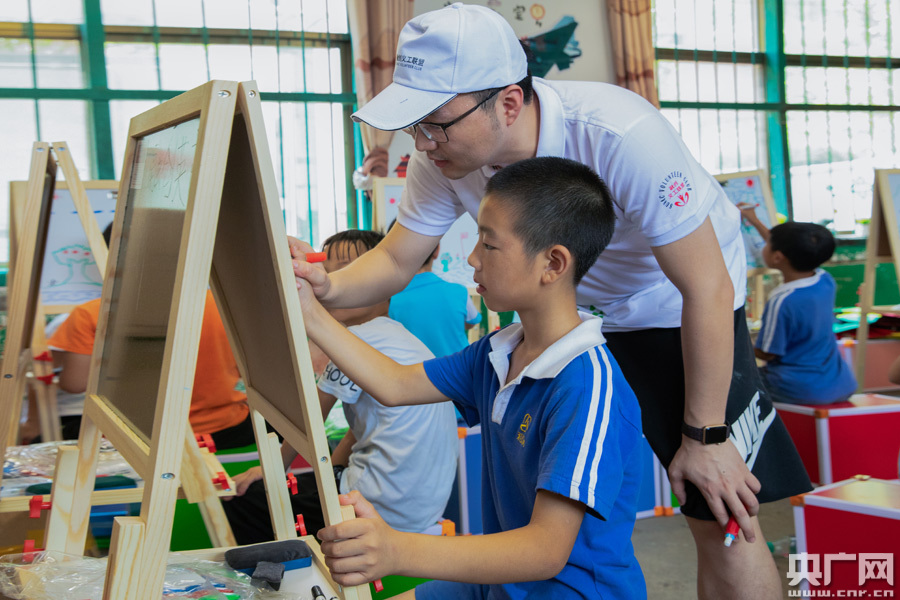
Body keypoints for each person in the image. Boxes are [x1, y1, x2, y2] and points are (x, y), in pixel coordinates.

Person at [291, 4, 810, 598]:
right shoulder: (446, 160)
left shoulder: (621, 134)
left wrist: (707, 437)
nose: (424, 142)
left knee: (719, 513)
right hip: (583, 313)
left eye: (436, 124)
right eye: (414, 126)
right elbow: (394, 260)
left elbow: (707, 287)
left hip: (677, 306)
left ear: (509, 103)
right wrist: (325, 288)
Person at [299, 157, 645, 599]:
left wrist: (396, 550)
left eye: (489, 244)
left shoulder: (587, 386)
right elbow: (396, 384)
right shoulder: (499, 351)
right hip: (502, 583)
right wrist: (310, 310)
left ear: (553, 263)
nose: (472, 258)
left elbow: (545, 551)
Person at [223, 229, 458, 544]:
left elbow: (309, 420)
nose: (328, 283)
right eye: (326, 270)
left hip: (380, 505)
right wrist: (328, 473)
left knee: (245, 501)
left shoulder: (359, 339)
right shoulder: (395, 334)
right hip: (416, 506)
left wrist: (270, 470)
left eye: (346, 272)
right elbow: (360, 430)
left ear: (383, 281)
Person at [47, 228, 253, 450]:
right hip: (222, 430)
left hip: (131, 437)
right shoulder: (225, 306)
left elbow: (74, 384)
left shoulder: (91, 313)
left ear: (110, 256)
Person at [739, 209, 857, 404]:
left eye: (767, 244)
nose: (764, 245)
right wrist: (755, 221)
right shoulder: (824, 280)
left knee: (732, 380)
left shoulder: (782, 301)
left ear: (778, 257)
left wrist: (736, 343)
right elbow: (788, 247)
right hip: (839, 382)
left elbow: (768, 352)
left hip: (799, 388)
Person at [388, 221, 481, 358]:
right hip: (459, 368)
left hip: (413, 368)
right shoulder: (458, 291)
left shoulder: (390, 299)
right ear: (437, 250)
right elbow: (472, 322)